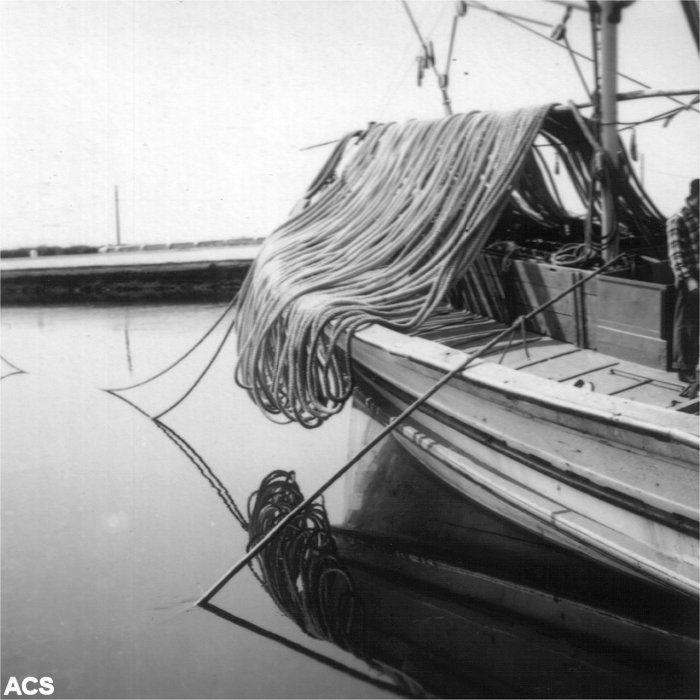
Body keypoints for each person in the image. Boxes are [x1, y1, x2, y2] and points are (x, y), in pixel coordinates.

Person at [666, 178, 699, 384]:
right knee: (687, 324)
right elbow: (676, 255)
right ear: (695, 196)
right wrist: (689, 279)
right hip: (690, 277)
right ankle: (685, 368)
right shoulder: (677, 219)